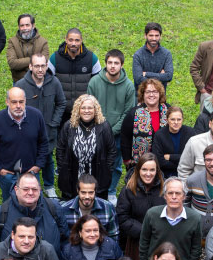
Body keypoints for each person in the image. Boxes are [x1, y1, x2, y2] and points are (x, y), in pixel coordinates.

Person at [0, 87, 49, 202]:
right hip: (8, 176)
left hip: (31, 173)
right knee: (9, 205)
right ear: (7, 102)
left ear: (25, 101)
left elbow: (44, 142)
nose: (18, 106)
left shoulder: (36, 116)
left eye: (21, 102)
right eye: (14, 102)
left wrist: (38, 165)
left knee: (34, 204)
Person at [15, 52, 66, 198]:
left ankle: (49, 186)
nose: (40, 69)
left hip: (49, 131)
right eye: (36, 66)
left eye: (43, 66)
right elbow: (14, 108)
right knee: (29, 160)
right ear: (30, 66)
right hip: (27, 134)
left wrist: (54, 122)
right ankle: (30, 186)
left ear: (47, 66)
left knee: (48, 159)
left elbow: (61, 103)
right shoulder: (21, 85)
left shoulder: (54, 82)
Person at [87, 49, 134, 199]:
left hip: (118, 133)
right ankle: (94, 188)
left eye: (116, 63)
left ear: (122, 65)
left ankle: (111, 191)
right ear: (105, 64)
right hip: (95, 131)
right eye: (110, 62)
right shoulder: (94, 82)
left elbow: (127, 113)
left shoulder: (128, 86)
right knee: (94, 161)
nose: (112, 66)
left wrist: (111, 131)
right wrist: (99, 129)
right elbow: (89, 108)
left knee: (115, 164)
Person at [55, 95, 116, 201]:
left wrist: (107, 170)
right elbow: (60, 149)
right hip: (72, 175)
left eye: (90, 108)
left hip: (98, 174)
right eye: (83, 108)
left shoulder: (104, 126)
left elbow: (112, 150)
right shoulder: (69, 126)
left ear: (95, 110)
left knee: (96, 206)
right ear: (78, 109)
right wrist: (62, 169)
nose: (86, 111)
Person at [0, 174, 66, 252]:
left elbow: (66, 240)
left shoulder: (54, 208)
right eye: (26, 189)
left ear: (40, 190)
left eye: (34, 189)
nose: (30, 193)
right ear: (16, 189)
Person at [139, 177, 204, 260]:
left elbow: (196, 249)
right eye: (170, 193)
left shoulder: (195, 218)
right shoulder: (152, 214)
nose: (174, 197)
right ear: (165, 196)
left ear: (184, 196)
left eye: (178, 193)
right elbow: (144, 242)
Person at [116, 153, 165, 260]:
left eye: (152, 170)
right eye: (144, 169)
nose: (148, 173)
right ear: (138, 170)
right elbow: (122, 218)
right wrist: (145, 231)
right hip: (136, 240)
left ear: (157, 171)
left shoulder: (164, 189)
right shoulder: (128, 190)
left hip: (159, 240)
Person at [49, 28, 102, 124]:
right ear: (66, 39)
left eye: (77, 40)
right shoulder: (54, 58)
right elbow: (47, 81)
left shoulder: (92, 58)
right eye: (71, 40)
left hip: (84, 111)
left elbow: (99, 84)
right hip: (61, 111)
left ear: (81, 41)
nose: (73, 43)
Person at [119, 78, 169, 175]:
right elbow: (125, 136)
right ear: (143, 94)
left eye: (155, 91)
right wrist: (127, 159)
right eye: (148, 92)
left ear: (160, 94)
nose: (151, 95)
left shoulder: (168, 111)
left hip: (164, 163)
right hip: (140, 164)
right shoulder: (134, 113)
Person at [59, 175, 120, 244]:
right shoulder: (64, 209)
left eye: (91, 192)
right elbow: (62, 238)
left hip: (101, 248)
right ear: (78, 191)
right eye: (83, 192)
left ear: (95, 191)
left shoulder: (108, 208)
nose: (87, 196)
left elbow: (114, 236)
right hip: (73, 248)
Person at [5, 13, 50, 82]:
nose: (25, 28)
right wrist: (34, 60)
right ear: (18, 27)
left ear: (33, 26)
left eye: (27, 25)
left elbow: (44, 62)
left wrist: (21, 63)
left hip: (38, 81)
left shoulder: (43, 42)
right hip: (19, 81)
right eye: (22, 25)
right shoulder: (12, 42)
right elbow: (12, 63)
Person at [152, 105, 193, 179]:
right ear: (167, 120)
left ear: (182, 120)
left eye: (179, 119)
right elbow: (159, 161)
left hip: (187, 174)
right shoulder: (159, 135)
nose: (176, 122)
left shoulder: (190, 133)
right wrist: (182, 163)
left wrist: (171, 157)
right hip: (165, 175)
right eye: (172, 119)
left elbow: (192, 158)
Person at [131, 22, 174, 93]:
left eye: (157, 35)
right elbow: (138, 79)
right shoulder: (138, 55)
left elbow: (169, 76)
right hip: (141, 97)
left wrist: (146, 74)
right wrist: (160, 77)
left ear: (160, 36)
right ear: (145, 36)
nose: (154, 38)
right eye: (151, 35)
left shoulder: (166, 54)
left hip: (160, 96)